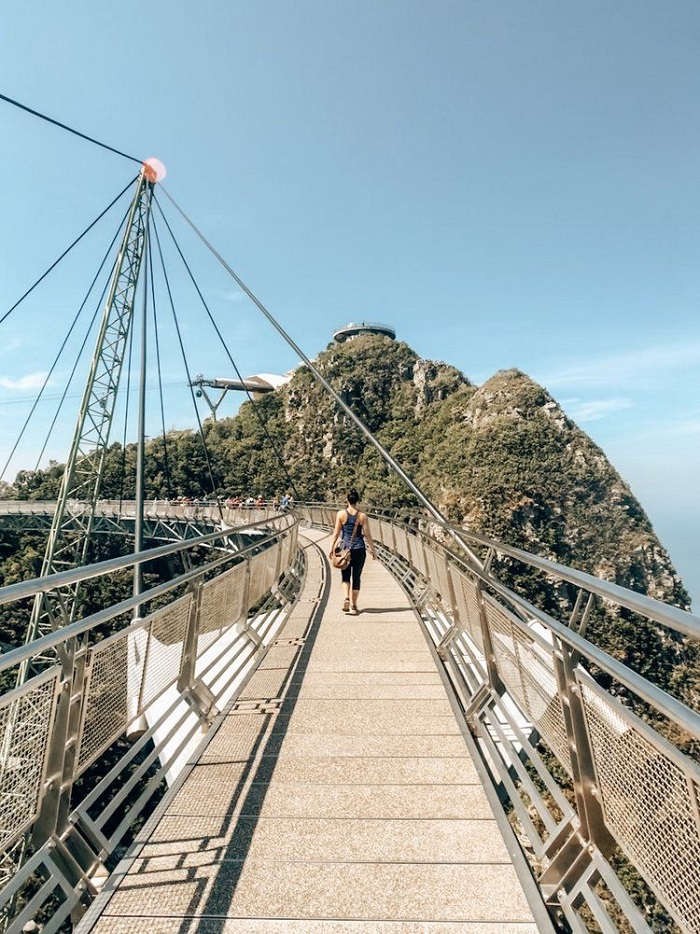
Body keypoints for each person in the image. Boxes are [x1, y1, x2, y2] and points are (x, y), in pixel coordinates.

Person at [329, 488, 376, 615]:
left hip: (344, 550)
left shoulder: (341, 514)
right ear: (357, 500)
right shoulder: (362, 516)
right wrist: (373, 550)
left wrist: (331, 547)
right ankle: (354, 606)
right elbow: (367, 535)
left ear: (347, 500)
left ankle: (346, 598)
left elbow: (336, 533)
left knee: (345, 576)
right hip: (359, 549)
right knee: (356, 577)